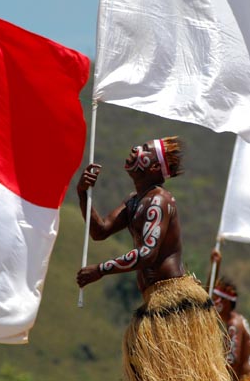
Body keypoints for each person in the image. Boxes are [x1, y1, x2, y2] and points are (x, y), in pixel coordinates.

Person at [76, 137, 230, 381]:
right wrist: (83, 194)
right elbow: (100, 231)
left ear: (155, 167)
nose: (135, 148)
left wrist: (101, 269)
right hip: (153, 304)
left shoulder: (159, 200)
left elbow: (148, 254)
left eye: (145, 149)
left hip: (176, 305)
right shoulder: (134, 201)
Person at [210, 249, 250, 381]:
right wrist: (216, 265)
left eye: (215, 299)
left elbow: (233, 362)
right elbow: (206, 294)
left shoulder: (234, 324)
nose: (213, 303)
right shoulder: (233, 321)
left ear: (225, 303)